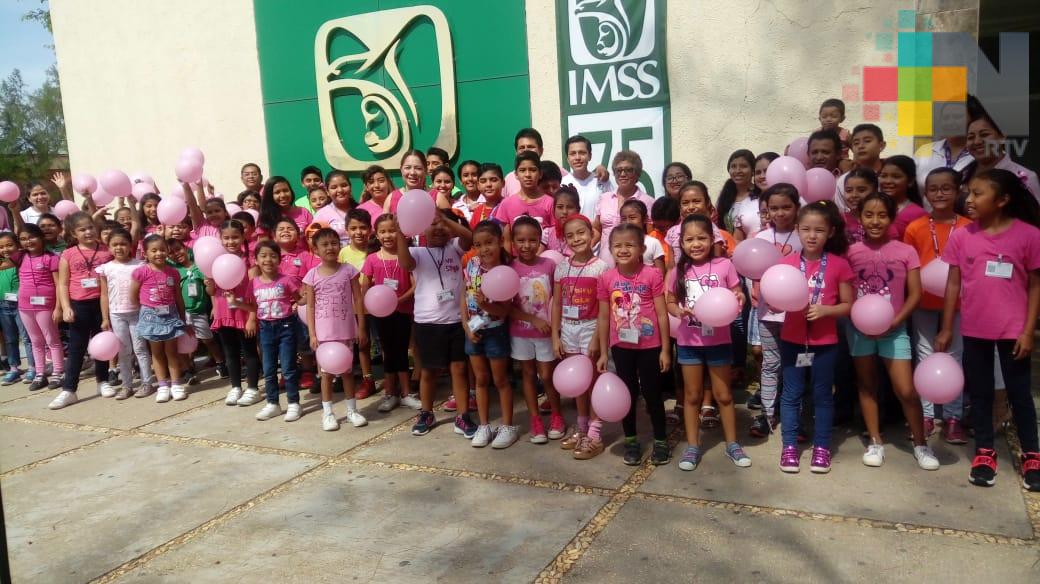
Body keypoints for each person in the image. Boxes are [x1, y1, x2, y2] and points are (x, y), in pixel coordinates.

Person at [936, 168, 1040, 491]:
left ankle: (1032, 455)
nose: (969, 199)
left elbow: (1036, 286)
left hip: (1013, 331)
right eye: (969, 192)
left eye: (978, 193)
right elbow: (953, 283)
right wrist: (945, 327)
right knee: (979, 394)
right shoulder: (963, 235)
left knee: (1020, 394)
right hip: (975, 328)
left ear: (1003, 199)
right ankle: (984, 452)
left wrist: (1028, 331)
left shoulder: (1029, 236)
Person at [847, 192, 938, 470]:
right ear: (860, 217)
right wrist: (857, 318)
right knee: (867, 385)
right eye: (869, 215)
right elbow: (847, 291)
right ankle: (875, 441)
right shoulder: (851, 252)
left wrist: (897, 320)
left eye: (882, 215)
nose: (875, 221)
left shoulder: (905, 251)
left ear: (892, 217)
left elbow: (915, 292)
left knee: (907, 390)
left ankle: (921, 444)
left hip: (894, 330)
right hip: (859, 330)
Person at [665, 214, 750, 471]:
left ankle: (732, 444)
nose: (696, 244)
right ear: (681, 243)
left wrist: (739, 297)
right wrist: (678, 312)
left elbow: (736, 291)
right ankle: (692, 446)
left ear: (713, 239)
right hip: (689, 342)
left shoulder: (725, 265)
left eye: (702, 238)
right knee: (691, 396)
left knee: (724, 396)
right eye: (689, 239)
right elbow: (669, 301)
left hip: (719, 341)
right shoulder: (677, 270)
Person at [776, 202, 854, 473]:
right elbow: (774, 299)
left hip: (825, 343)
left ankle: (821, 447)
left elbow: (848, 305)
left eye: (819, 230)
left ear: (830, 232)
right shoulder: (785, 263)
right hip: (793, 340)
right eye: (806, 229)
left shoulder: (839, 264)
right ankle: (789, 446)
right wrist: (776, 302)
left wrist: (826, 310)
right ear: (797, 230)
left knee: (822, 394)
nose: (812, 235)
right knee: (792, 393)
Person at [903, 167, 971, 441]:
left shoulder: (969, 227)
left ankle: (953, 417)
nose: (940, 193)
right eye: (933, 188)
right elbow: (910, 267)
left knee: (954, 356)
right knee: (925, 354)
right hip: (924, 302)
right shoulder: (915, 227)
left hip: (959, 304)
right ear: (925, 193)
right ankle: (927, 415)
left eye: (946, 188)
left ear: (957, 192)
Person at [596, 223, 671, 466]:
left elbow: (661, 314)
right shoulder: (606, 278)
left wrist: (666, 349)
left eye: (630, 244)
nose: (623, 249)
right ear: (610, 249)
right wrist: (603, 352)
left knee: (652, 394)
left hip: (650, 346)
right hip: (621, 347)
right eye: (618, 245)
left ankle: (660, 440)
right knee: (626, 395)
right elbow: (604, 316)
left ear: (641, 248)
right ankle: (631, 440)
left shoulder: (652, 274)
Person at [396, 210, 473, 436]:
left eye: (441, 225)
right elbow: (404, 262)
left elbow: (469, 237)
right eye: (431, 225)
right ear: (422, 230)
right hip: (428, 322)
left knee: (459, 368)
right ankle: (427, 413)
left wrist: (446, 220)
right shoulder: (416, 252)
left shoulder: (455, 248)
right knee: (429, 371)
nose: (438, 229)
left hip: (457, 320)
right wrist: (401, 234)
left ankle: (463, 415)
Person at [552, 214, 609, 459]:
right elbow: (556, 304)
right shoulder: (562, 267)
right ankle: (582, 426)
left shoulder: (601, 267)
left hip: (590, 328)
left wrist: (597, 337)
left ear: (591, 233)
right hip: (568, 328)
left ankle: (595, 433)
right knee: (578, 384)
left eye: (581, 233)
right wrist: (556, 336)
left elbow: (604, 307)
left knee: (594, 381)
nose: (577, 239)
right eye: (570, 235)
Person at [749, 183, 803, 437]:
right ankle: (768, 414)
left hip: (798, 314)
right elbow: (752, 270)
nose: (780, 213)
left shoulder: (804, 236)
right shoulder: (760, 238)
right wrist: (757, 288)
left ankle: (797, 415)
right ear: (766, 210)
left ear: (797, 207)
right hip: (767, 313)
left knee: (798, 364)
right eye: (773, 208)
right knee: (771, 364)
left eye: (786, 207)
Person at [304, 228, 368, 431]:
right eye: (325, 244)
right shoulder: (311, 275)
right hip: (324, 334)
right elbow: (311, 306)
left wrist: (361, 327)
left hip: (346, 330)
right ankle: (328, 413)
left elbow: (358, 298)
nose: (330, 247)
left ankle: (351, 411)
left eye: (334, 243)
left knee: (348, 372)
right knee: (326, 374)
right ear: (315, 249)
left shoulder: (349, 270)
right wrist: (313, 334)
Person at [509, 216, 564, 444]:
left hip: (546, 334)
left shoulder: (549, 265)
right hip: (520, 334)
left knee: (548, 376)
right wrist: (530, 318)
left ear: (540, 240)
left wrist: (555, 329)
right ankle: (535, 420)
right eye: (521, 240)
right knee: (529, 375)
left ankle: (557, 415)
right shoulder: (510, 268)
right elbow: (507, 307)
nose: (527, 245)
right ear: (513, 241)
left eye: (532, 240)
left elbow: (558, 299)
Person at [52, 212, 113, 409]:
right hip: (78, 306)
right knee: (77, 349)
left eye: (90, 227)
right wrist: (66, 307)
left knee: (101, 345)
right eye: (82, 229)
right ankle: (69, 390)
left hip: (101, 304)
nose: (88, 232)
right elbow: (62, 284)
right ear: (73, 233)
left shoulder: (106, 252)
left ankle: (102, 381)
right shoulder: (68, 254)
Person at [461, 220, 514, 447]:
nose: (484, 249)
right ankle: (484, 425)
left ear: (500, 242)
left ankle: (507, 426)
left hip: (496, 331)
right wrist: (465, 325)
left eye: (489, 243)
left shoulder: (506, 271)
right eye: (478, 244)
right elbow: (463, 295)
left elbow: (505, 310)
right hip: (473, 330)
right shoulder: (472, 264)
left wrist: (487, 305)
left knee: (500, 380)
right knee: (480, 379)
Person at [361, 214, 416, 413]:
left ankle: (407, 394)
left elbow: (414, 285)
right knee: (388, 351)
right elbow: (365, 286)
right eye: (383, 231)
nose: (387, 235)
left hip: (402, 311)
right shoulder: (372, 259)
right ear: (376, 233)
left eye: (392, 230)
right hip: (380, 315)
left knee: (402, 350)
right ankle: (390, 393)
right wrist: (368, 306)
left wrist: (398, 300)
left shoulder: (406, 255)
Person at [130, 235, 191, 403]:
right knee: (156, 353)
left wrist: (182, 317)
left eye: (162, 249)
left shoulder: (173, 272)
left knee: (171, 351)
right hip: (150, 316)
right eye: (154, 250)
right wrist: (145, 309)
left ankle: (176, 384)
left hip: (170, 315)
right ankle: (163, 385)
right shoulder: (141, 272)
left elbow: (178, 297)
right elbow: (133, 295)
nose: (159, 253)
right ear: (146, 253)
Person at [208, 220, 262, 407]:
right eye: (226, 238)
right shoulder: (215, 261)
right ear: (220, 239)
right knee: (229, 352)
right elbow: (213, 290)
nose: (231, 241)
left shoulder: (250, 263)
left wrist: (252, 318)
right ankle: (236, 387)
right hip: (224, 311)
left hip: (244, 313)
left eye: (235, 237)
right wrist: (215, 307)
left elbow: (255, 292)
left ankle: (253, 388)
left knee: (249, 351)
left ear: (243, 237)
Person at [97, 228, 152, 400]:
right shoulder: (106, 269)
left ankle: (147, 383)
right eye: (114, 245)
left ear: (130, 245)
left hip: (137, 313)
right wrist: (105, 318)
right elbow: (104, 294)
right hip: (116, 314)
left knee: (140, 348)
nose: (119, 248)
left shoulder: (140, 266)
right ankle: (127, 385)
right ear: (108, 247)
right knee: (123, 351)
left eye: (123, 244)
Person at [251, 241, 302, 422]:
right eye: (263, 256)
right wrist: (235, 301)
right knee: (269, 369)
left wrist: (305, 301)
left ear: (279, 259)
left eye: (273, 255)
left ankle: (294, 403)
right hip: (265, 329)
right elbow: (251, 306)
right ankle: (273, 404)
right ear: (256, 260)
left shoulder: (286, 280)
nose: (268, 259)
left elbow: (299, 298)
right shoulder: (254, 283)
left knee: (288, 368)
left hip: (286, 327)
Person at [166, 238, 225, 384]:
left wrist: (215, 307)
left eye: (178, 249)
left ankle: (221, 363)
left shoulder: (200, 268)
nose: (176, 254)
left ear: (185, 247)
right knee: (183, 342)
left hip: (198, 312)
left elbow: (210, 290)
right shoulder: (174, 271)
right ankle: (188, 370)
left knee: (207, 339)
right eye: (171, 253)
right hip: (181, 312)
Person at [338, 209, 376, 398]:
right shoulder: (343, 253)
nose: (358, 232)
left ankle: (395, 376)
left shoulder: (376, 249)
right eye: (353, 228)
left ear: (370, 229)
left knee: (384, 341)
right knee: (362, 343)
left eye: (363, 228)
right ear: (346, 230)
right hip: (355, 307)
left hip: (378, 305)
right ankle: (367, 379)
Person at [961, 110, 1040, 200]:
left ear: (1002, 136)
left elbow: (1033, 213)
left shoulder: (1024, 177)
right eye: (971, 137)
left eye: (984, 135)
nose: (977, 141)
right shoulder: (962, 174)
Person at [593, 151, 654, 264]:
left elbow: (651, 237)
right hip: (605, 266)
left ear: (637, 173)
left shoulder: (648, 202)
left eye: (628, 170)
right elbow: (596, 230)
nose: (622, 174)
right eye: (618, 170)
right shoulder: (604, 198)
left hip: (635, 266)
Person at [494, 151, 554, 253]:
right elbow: (507, 240)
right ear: (516, 175)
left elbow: (553, 237)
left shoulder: (550, 202)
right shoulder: (506, 204)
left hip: (544, 263)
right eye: (522, 170)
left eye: (532, 170)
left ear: (540, 174)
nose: (527, 175)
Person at [0, 232, 34, 385]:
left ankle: (33, 367)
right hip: (3, 305)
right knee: (10, 339)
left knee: (27, 337)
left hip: (21, 305)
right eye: (1, 247)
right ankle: (14, 369)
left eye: (9, 245)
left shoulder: (22, 260)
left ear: (18, 246)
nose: (5, 249)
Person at [835, 124, 887, 212]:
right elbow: (843, 212)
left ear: (881, 145)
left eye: (867, 141)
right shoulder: (844, 180)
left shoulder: (890, 177)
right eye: (856, 143)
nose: (861, 146)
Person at [562, 135, 613, 216]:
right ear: (567, 159)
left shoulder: (602, 180)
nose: (577, 157)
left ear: (590, 156)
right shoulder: (562, 184)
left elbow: (612, 209)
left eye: (582, 153)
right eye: (573, 154)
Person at [879, 155, 927, 239]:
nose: (888, 181)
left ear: (910, 181)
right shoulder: (872, 207)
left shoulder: (918, 214)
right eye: (884, 176)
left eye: (896, 177)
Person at [715, 149, 759, 240]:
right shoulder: (725, 197)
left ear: (752, 170)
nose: (738, 170)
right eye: (733, 166)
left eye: (743, 166)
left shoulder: (759, 195)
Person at [259, 176, 313, 244]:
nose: (283, 195)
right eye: (277, 192)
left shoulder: (303, 212)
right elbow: (264, 248)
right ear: (270, 196)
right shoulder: (266, 218)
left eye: (285, 190)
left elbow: (314, 238)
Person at [618, 199, 666, 273]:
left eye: (632, 218)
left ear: (645, 218)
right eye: (624, 218)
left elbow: (661, 274)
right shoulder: (618, 244)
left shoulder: (653, 243)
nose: (628, 222)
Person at [315, 170, 357, 244]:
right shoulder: (321, 214)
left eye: (344, 185)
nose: (340, 190)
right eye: (334, 187)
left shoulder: (361, 210)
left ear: (350, 187)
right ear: (327, 191)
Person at [542, 186, 580, 257]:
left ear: (578, 210)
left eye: (570, 207)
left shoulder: (582, 234)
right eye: (560, 207)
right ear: (553, 210)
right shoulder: (547, 233)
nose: (564, 212)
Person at [469, 163, 505, 228]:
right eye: (483, 181)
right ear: (478, 186)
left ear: (503, 183)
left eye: (493, 180)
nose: (488, 184)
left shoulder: (509, 205)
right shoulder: (478, 211)